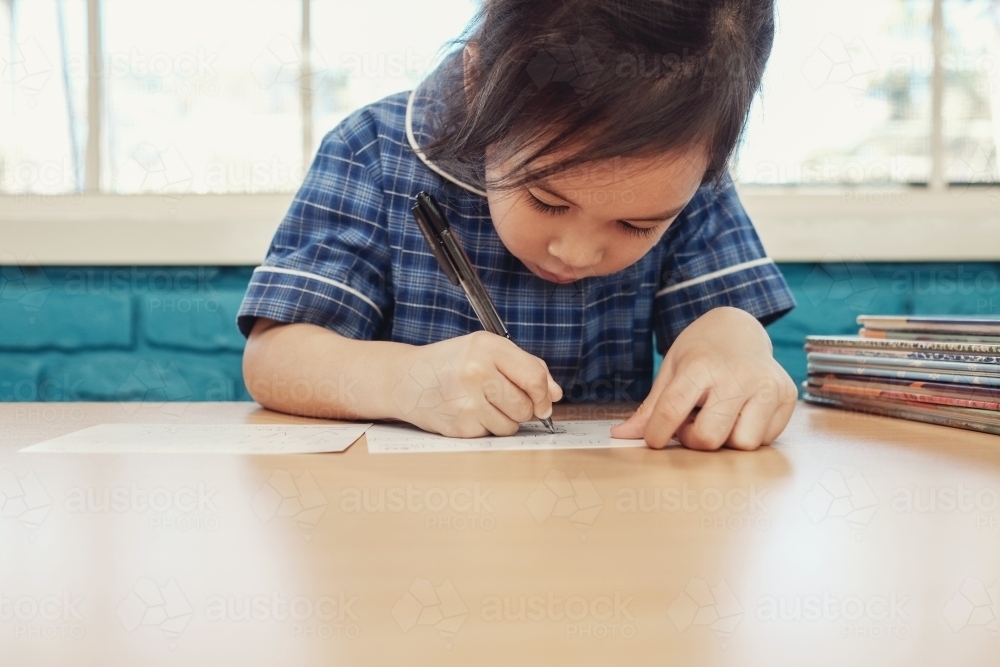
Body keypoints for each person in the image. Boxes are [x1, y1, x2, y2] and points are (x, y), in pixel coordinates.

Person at [236, 0, 799, 450]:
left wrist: (736, 342)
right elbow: (273, 360)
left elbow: (732, 337)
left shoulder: (681, 176)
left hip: (610, 530)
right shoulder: (374, 153)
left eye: (635, 225)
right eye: (547, 201)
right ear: (478, 83)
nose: (575, 253)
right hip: (412, 529)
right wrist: (405, 380)